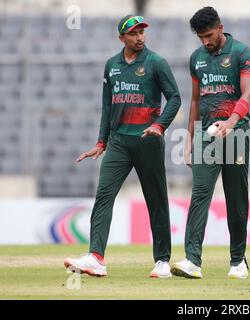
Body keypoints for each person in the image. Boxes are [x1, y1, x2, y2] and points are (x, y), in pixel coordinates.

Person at [64, 15, 181, 277]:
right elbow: (107, 105)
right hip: (118, 142)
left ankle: (162, 261)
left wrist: (159, 125)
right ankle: (96, 257)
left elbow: (175, 98)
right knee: (104, 195)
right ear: (122, 38)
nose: (140, 37)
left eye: (142, 32)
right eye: (134, 33)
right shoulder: (112, 66)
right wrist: (101, 141)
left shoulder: (156, 63)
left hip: (147, 141)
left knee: (156, 201)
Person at [171, 7, 250, 279]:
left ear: (220, 27)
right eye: (200, 37)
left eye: (208, 35)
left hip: (236, 133)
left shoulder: (242, 53)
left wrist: (230, 123)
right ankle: (192, 261)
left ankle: (238, 261)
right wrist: (188, 141)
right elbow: (195, 100)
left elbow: (249, 93)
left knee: (236, 199)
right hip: (207, 137)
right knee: (199, 195)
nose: (205, 42)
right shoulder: (197, 58)